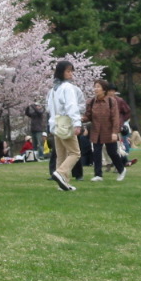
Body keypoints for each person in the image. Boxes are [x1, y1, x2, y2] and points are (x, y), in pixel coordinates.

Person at [47, 61, 85, 191]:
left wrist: (52, 126)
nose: (71, 74)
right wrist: (77, 123)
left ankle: (64, 183)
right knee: (75, 152)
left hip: (56, 124)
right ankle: (61, 173)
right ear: (61, 72)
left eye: (71, 71)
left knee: (61, 154)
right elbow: (71, 106)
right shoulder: (67, 87)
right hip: (66, 123)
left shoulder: (54, 89)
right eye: (68, 71)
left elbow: (50, 109)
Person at [83, 79, 127, 182]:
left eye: (98, 87)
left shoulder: (111, 101)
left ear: (104, 89)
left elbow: (115, 118)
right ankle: (98, 174)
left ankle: (121, 169)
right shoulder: (92, 101)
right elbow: (88, 115)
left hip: (109, 131)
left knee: (112, 152)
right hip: (96, 131)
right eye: (95, 86)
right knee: (96, 153)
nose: (96, 89)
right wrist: (82, 118)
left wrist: (114, 132)